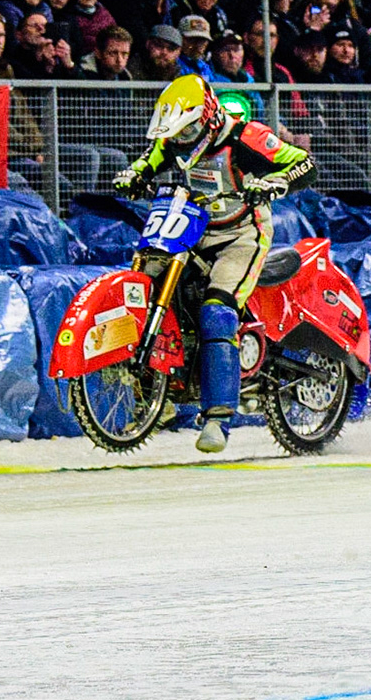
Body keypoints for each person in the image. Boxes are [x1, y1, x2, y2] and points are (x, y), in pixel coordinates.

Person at [111, 75, 317, 454]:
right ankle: (157, 395)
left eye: (188, 130)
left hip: (242, 233)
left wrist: (273, 183)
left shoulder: (247, 137)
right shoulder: (172, 141)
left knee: (217, 310)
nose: (181, 140)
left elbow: (302, 163)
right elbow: (148, 161)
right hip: (192, 228)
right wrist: (132, 176)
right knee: (151, 281)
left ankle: (218, 419)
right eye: (176, 133)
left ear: (206, 117)